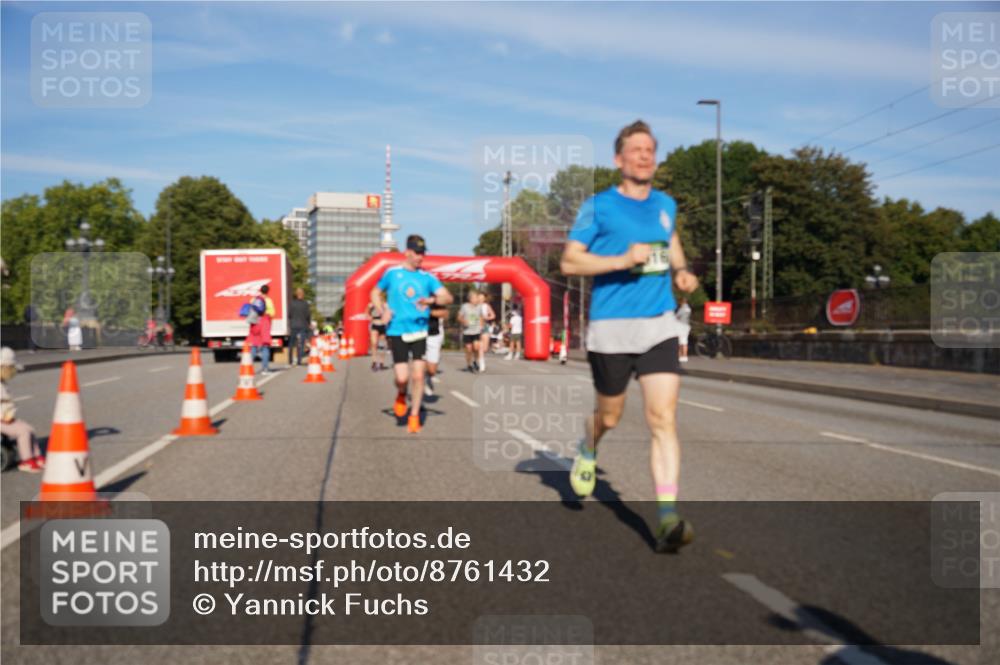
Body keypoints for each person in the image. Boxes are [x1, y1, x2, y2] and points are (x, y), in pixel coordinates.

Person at [560, 120, 700, 554]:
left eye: (650, 150)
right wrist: (623, 259)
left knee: (663, 419)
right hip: (611, 329)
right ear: (619, 159)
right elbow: (569, 263)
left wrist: (681, 271)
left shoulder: (665, 205)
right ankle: (588, 447)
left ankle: (666, 517)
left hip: (659, 324)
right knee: (611, 417)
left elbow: (671, 239)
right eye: (636, 150)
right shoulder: (598, 207)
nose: (645, 156)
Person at [370, 235, 453, 434]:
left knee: (418, 375)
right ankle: (400, 394)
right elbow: (374, 292)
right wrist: (382, 311)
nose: (420, 257)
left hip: (419, 332)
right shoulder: (392, 273)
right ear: (407, 252)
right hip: (397, 331)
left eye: (423, 253)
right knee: (402, 377)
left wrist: (432, 301)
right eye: (417, 253)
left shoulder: (427, 278)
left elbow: (447, 297)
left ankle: (414, 414)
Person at [1, 347, 44, 472]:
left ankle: (37, 456)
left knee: (29, 429)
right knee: (23, 432)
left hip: (6, 418)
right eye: (11, 369)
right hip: (2, 419)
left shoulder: (2, 383)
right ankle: (27, 461)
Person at [246, 284, 275, 375]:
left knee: (254, 346)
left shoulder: (254, 299)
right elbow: (272, 313)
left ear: (260, 290)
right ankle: (265, 369)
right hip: (264, 324)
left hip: (254, 324)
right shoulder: (268, 301)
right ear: (268, 291)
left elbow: (250, 309)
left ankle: (248, 368)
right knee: (265, 347)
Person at [424, 304, 448, 397]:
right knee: (419, 365)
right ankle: (418, 402)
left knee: (432, 370)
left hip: (433, 334)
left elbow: (445, 314)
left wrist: (426, 311)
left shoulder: (435, 298)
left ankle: (428, 376)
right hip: (416, 333)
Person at [458, 290, 482, 372]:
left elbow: (481, 317)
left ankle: (475, 361)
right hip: (467, 331)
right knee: (469, 349)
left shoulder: (479, 307)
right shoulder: (464, 306)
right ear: (470, 299)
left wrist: (481, 326)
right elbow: (459, 317)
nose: (476, 299)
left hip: (476, 331)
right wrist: (464, 321)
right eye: (475, 298)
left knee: (476, 347)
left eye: (477, 298)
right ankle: (469, 364)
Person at [289, 288, 312, 366]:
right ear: (302, 295)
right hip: (302, 325)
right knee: (301, 344)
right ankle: (299, 361)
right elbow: (308, 315)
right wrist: (308, 323)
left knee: (292, 343)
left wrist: (292, 320)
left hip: (294, 325)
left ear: (296, 294)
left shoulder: (292, 303)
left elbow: (289, 314)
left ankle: (290, 360)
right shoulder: (305, 304)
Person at [477, 292, 496, 372]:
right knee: (480, 347)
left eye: (482, 298)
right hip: (476, 327)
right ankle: (481, 364)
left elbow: (493, 315)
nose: (480, 299)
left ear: (484, 299)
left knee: (485, 348)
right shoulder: (474, 305)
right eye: (479, 297)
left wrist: (487, 317)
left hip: (485, 326)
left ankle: (477, 358)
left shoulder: (486, 306)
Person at [369, 301, 389, 372]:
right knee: (374, 343)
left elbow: (389, 313)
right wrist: (370, 318)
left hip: (383, 325)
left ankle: (381, 363)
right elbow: (366, 312)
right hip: (375, 325)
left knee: (382, 345)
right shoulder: (372, 304)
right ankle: (374, 362)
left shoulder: (385, 304)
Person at [676, 297, 692, 363]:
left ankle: (680, 356)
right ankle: (685, 356)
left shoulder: (682, 309)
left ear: (682, 302)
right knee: (685, 342)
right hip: (687, 326)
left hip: (681, 327)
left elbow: (677, 316)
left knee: (680, 342)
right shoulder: (688, 309)